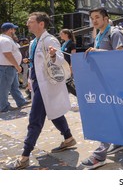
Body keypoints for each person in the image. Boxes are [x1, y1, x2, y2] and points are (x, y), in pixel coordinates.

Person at [5, 13, 76, 170]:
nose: (27, 23)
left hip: (47, 85)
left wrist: (52, 55)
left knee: (35, 119)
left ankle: (24, 156)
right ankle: (69, 138)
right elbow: (35, 65)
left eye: (30, 21)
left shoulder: (50, 40)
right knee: (54, 113)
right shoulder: (34, 42)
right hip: (38, 84)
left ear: (41, 24)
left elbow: (59, 59)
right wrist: (30, 80)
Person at [81, 7, 123, 169]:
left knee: (107, 116)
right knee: (113, 114)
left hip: (115, 83)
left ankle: (100, 155)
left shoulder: (114, 33)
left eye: (97, 17)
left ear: (106, 18)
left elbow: (120, 55)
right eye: (92, 18)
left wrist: (97, 52)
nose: (94, 21)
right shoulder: (99, 34)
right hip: (105, 82)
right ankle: (120, 141)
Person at [0, 23, 31, 112]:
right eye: (14, 29)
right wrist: (17, 66)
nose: (15, 31)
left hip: (9, 67)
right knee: (4, 87)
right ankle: (3, 106)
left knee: (14, 86)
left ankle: (21, 101)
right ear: (10, 30)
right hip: (7, 67)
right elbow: (8, 54)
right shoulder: (5, 40)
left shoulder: (5, 39)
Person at [59, 29, 77, 96]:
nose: (60, 35)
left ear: (66, 34)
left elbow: (73, 55)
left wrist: (71, 65)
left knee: (69, 82)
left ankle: (78, 95)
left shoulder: (71, 44)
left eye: (61, 34)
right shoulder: (63, 43)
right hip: (63, 65)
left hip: (68, 65)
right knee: (65, 83)